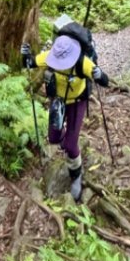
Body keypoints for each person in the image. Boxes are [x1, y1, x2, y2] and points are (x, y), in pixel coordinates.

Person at [21, 34, 109, 200]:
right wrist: (25, 55)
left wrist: (99, 75)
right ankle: (69, 143)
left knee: (70, 144)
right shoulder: (50, 56)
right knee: (53, 137)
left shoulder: (82, 62)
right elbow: (30, 63)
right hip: (59, 102)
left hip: (77, 102)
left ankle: (76, 174)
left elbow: (105, 81)